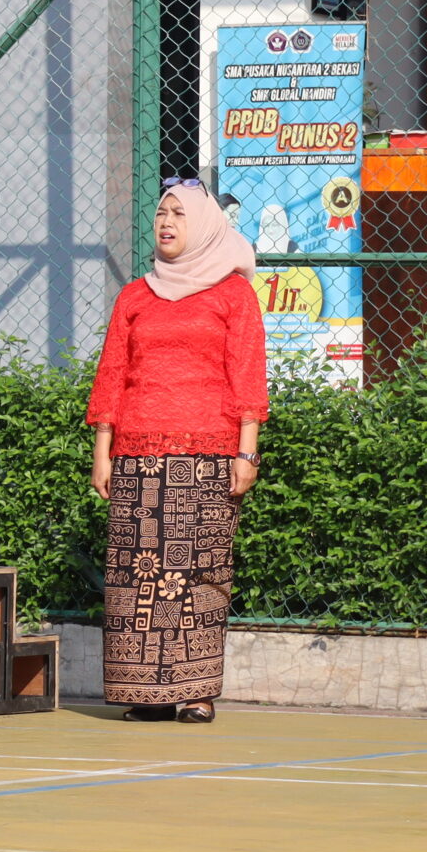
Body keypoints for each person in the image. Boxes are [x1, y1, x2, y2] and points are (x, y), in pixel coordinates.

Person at [86, 182, 267, 725]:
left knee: (200, 572)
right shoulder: (134, 296)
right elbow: (112, 374)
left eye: (179, 214)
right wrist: (102, 451)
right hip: (136, 454)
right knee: (137, 576)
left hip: (209, 455)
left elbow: (247, 374)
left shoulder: (233, 294)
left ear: (206, 226)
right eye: (161, 213)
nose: (166, 222)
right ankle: (147, 693)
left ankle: (195, 692)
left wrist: (247, 453)